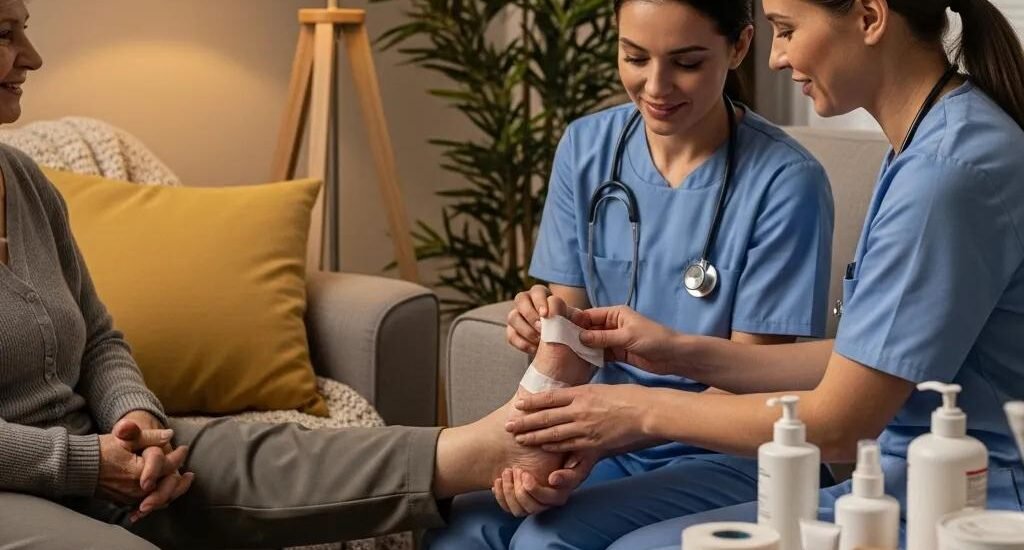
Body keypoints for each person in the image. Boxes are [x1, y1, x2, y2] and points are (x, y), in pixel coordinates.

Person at [0, 1, 588, 547]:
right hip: (18, 483)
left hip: (94, 444)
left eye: (25, 28)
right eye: (7, 34)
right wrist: (85, 466)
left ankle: (491, 449)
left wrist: (136, 423)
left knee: (270, 454)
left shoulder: (25, 182)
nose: (32, 55)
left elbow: (100, 338)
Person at [499, 0, 1024, 548]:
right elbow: (869, 359)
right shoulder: (927, 145)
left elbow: (842, 423)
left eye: (786, 30)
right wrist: (678, 349)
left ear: (870, 17)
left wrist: (637, 411)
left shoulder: (944, 174)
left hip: (969, 497)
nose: (775, 58)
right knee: (474, 525)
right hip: (907, 474)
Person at [426, 0, 835, 548]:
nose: (655, 86)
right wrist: (542, 335)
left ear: (739, 46)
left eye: (686, 62)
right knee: (464, 528)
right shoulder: (585, 147)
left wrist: (607, 430)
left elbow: (755, 378)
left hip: (725, 448)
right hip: (603, 432)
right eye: (634, 57)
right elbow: (570, 337)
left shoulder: (787, 183)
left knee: (545, 542)